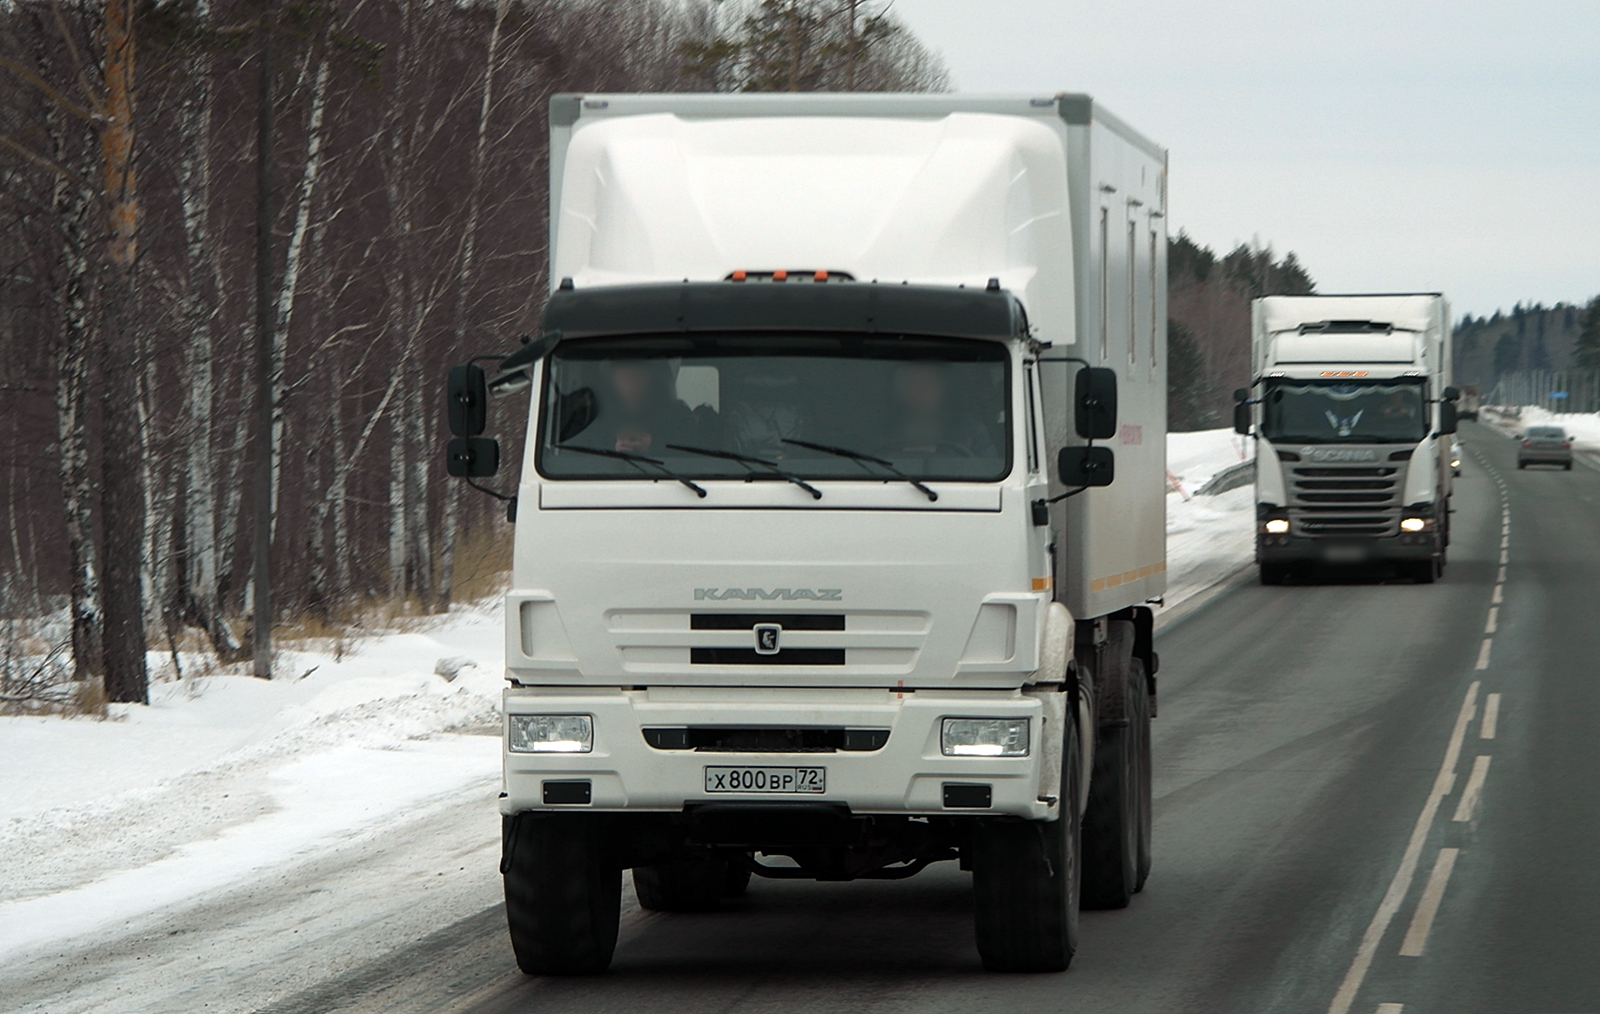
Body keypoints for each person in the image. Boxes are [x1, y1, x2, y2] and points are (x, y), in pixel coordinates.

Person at [885, 362, 998, 458]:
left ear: (942, 388)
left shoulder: (970, 430)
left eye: (929, 382)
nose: (921, 390)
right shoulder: (881, 431)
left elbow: (989, 468)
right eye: (912, 383)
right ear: (901, 390)